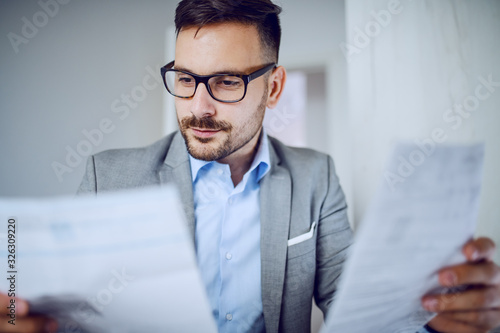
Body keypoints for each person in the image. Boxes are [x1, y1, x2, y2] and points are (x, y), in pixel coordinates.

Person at [1, 1, 499, 332]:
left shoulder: (315, 178)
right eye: (186, 78)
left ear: (274, 87)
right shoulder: (103, 177)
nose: (198, 106)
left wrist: (436, 311)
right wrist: (13, 311)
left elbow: (359, 307)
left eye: (225, 82)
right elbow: (54, 307)